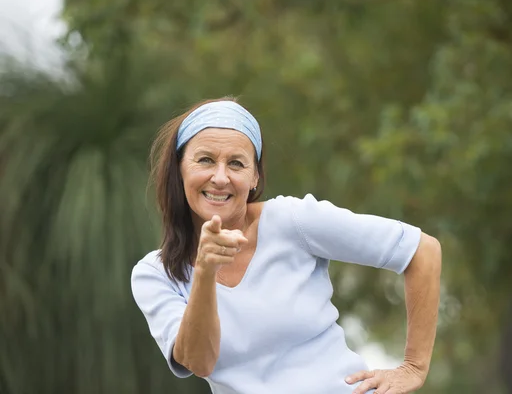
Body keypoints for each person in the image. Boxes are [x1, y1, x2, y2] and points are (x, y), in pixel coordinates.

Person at [131, 97, 442, 394]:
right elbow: (199, 361)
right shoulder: (154, 275)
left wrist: (413, 367)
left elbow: (422, 250)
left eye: (237, 164)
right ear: (179, 168)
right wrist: (205, 271)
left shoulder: (292, 220)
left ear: (254, 177)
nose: (221, 177)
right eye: (205, 160)